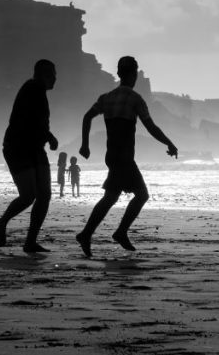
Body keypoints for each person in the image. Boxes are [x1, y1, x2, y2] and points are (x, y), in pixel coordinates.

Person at [76, 56, 178, 257]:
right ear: (132, 74)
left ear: (119, 73)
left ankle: (87, 234)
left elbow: (87, 116)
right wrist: (169, 143)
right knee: (142, 195)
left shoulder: (106, 97)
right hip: (124, 157)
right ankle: (120, 232)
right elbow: (151, 127)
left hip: (111, 155)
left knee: (111, 196)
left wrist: (85, 145)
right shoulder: (135, 99)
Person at [0, 59, 59, 253]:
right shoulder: (33, 88)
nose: (56, 78)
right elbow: (29, 119)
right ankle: (2, 221)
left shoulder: (38, 90)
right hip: (18, 147)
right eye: (53, 74)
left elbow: (37, 120)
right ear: (43, 75)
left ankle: (30, 242)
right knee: (29, 195)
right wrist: (50, 136)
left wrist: (47, 136)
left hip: (35, 147)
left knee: (44, 195)